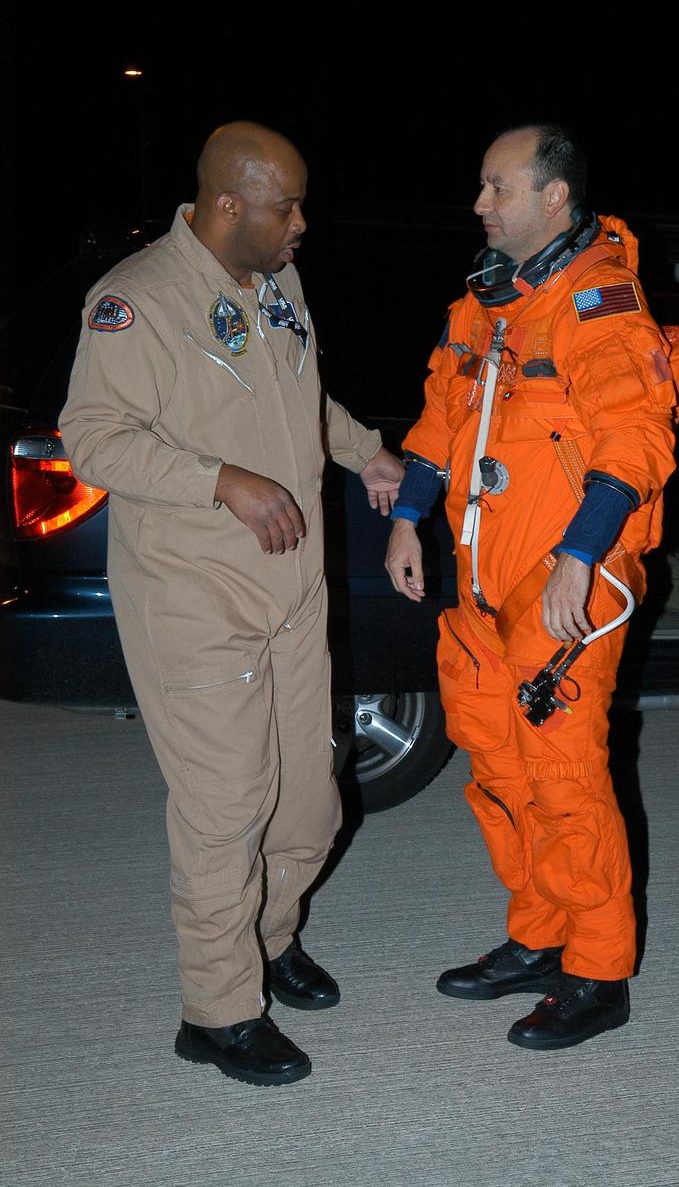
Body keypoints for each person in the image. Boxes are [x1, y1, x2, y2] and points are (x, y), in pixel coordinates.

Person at [60, 121, 404, 1087]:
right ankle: (216, 1010)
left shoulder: (278, 283)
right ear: (226, 206)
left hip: (291, 591)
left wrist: (361, 447)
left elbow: (304, 395)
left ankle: (266, 937)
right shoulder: (135, 303)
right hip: (192, 593)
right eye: (285, 207)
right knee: (226, 810)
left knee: (308, 803)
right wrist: (222, 480)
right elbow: (93, 437)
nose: (302, 224)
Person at [385, 123, 679, 1050]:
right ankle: (539, 934)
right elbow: (444, 410)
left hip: (564, 584)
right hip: (483, 588)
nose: (479, 204)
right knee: (498, 768)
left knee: (564, 779)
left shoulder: (598, 304)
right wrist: (407, 514)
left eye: (497, 187)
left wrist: (578, 555)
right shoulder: (488, 305)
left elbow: (636, 436)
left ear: (553, 197)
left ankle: (598, 970)